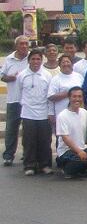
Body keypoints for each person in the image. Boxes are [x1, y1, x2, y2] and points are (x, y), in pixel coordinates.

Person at [55, 87, 87, 179]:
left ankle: (79, 169)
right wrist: (79, 152)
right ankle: (66, 168)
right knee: (79, 161)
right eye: (74, 96)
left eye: (80, 96)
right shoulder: (62, 116)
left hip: (83, 147)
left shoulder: (84, 112)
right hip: (66, 150)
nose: (77, 99)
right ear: (69, 98)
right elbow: (65, 138)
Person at [18, 48, 52, 175]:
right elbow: (20, 92)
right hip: (28, 113)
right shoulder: (22, 75)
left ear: (42, 61)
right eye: (33, 59)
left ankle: (45, 165)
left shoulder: (47, 75)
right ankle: (29, 165)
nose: (36, 61)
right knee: (29, 141)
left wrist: (50, 112)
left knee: (45, 141)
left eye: (38, 59)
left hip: (43, 113)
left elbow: (49, 95)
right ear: (29, 60)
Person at [2, 36, 30, 166]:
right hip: (14, 100)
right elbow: (2, 76)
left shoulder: (32, 58)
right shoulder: (9, 59)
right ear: (16, 46)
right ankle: (8, 155)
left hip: (28, 101)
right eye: (21, 44)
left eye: (26, 44)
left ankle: (27, 154)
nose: (24, 46)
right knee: (11, 129)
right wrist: (10, 78)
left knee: (28, 130)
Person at [47, 54, 84, 120]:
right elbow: (51, 97)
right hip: (61, 114)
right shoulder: (55, 79)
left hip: (78, 113)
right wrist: (70, 93)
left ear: (72, 64)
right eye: (63, 62)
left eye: (68, 62)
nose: (66, 64)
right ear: (59, 65)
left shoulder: (79, 77)